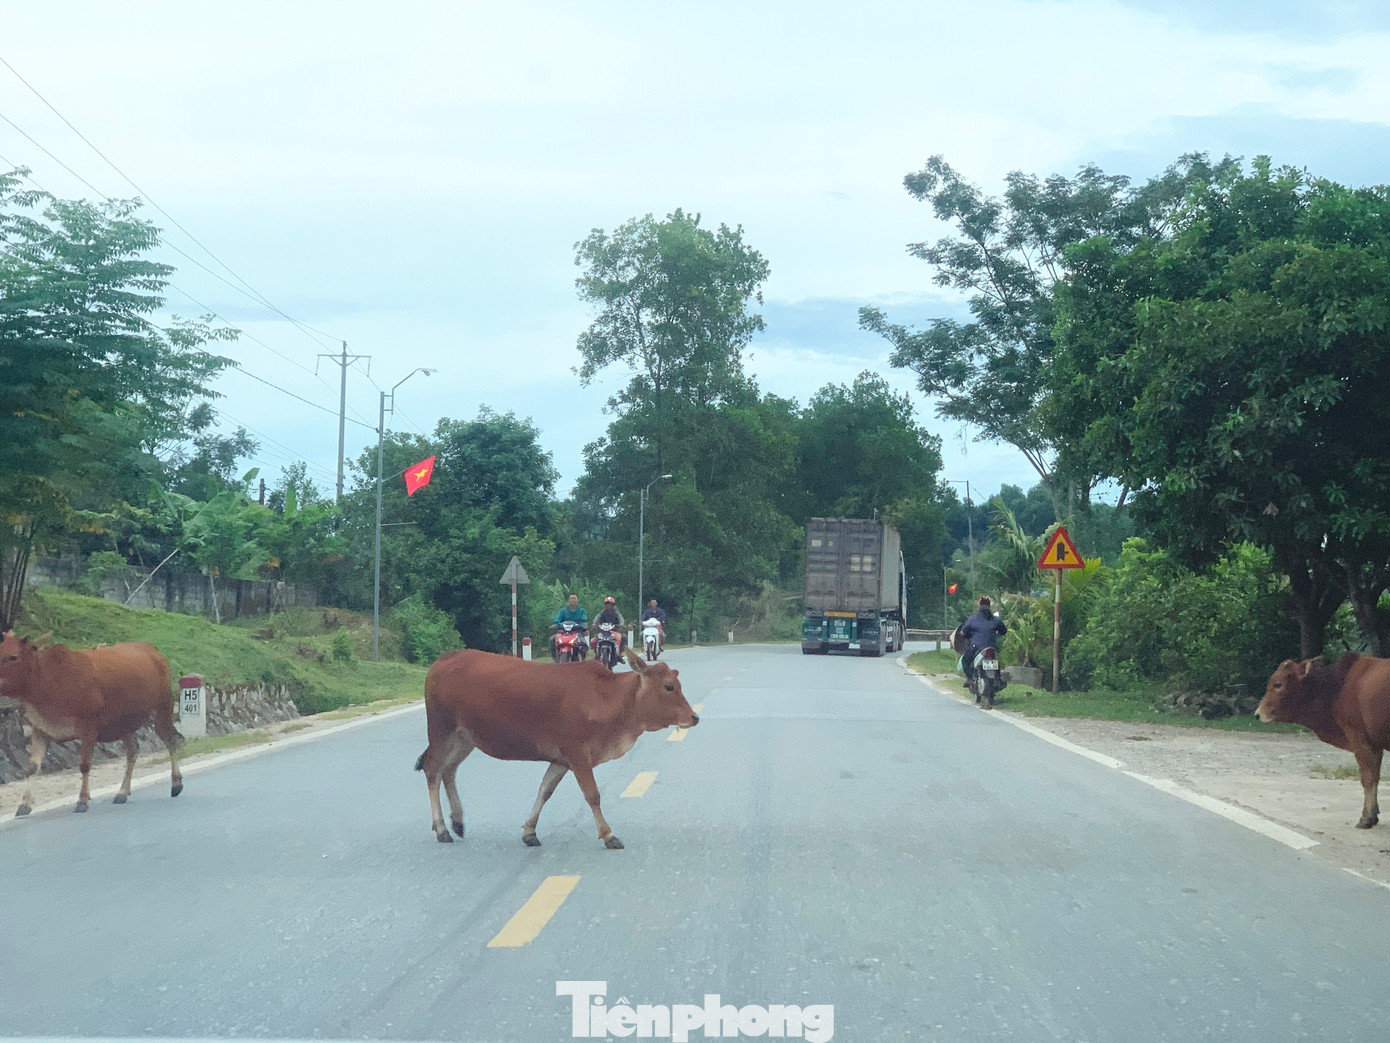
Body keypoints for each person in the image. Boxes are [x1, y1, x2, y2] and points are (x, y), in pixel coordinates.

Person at [960, 595, 1007, 689]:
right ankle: (998, 679)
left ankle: (969, 679)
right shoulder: (995, 620)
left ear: (979, 606)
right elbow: (1004, 631)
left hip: (976, 647)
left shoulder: (973, 619)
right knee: (996, 661)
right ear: (989, 606)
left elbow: (963, 632)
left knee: (965, 660)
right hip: (991, 647)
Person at [551, 593, 589, 660]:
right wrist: (555, 625)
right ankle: (555, 659)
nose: (573, 600)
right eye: (571, 598)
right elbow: (557, 619)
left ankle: (583, 659)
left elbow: (584, 621)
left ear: (577, 600)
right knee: (551, 639)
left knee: (583, 644)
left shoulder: (582, 611)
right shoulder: (563, 610)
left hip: (577, 632)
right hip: (563, 633)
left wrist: (583, 626)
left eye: (574, 598)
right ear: (568, 600)